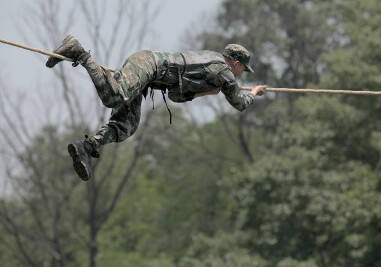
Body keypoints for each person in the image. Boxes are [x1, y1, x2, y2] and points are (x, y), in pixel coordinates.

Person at [46, 35, 267, 181]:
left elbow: (175, 95)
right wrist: (254, 93)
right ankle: (79, 52)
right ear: (236, 63)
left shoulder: (214, 65)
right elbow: (240, 104)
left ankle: (86, 146)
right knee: (115, 97)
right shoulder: (222, 71)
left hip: (149, 75)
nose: (241, 75)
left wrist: (207, 92)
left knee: (126, 127)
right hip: (149, 65)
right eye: (243, 70)